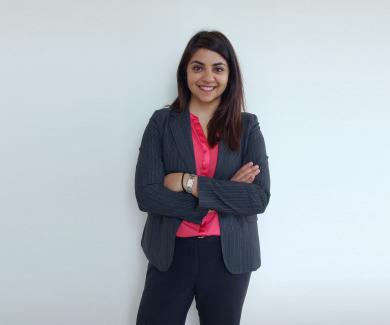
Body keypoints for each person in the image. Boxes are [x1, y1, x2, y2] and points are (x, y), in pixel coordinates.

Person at [134, 30, 271, 325]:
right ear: (185, 72)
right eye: (198, 67)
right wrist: (225, 192)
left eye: (218, 68)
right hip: (170, 252)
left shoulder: (247, 126)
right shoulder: (162, 122)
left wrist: (188, 182)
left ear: (229, 75)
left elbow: (258, 197)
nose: (207, 77)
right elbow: (147, 194)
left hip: (228, 255)